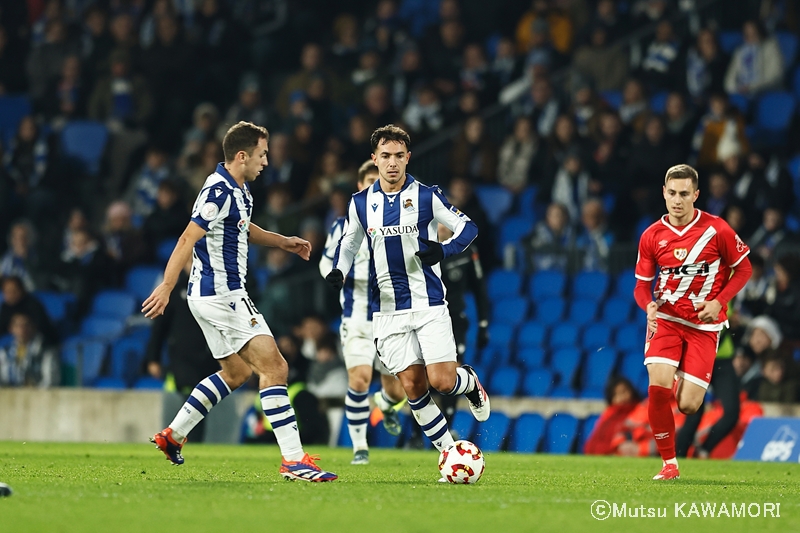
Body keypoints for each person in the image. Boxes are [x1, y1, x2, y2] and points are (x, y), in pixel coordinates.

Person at [142, 121, 336, 482]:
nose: (266, 162)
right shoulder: (219, 190)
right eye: (262, 155)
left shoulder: (238, 190)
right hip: (223, 295)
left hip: (209, 296)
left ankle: (173, 435)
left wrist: (282, 241)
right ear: (242, 155)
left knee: (237, 373)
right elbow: (187, 238)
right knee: (275, 368)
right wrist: (167, 286)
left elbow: (243, 228)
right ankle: (293, 460)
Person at [325, 125, 490, 467]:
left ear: (408, 158)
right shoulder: (360, 204)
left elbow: (468, 228)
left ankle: (470, 382)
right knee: (413, 387)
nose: (392, 163)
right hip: (386, 312)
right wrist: (338, 270)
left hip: (428, 304)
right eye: (385, 156)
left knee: (442, 382)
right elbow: (349, 243)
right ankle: (449, 453)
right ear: (375, 159)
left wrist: (443, 250)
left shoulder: (427, 196)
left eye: (399, 156)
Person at [634, 164, 752, 480]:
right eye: (671, 193)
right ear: (663, 192)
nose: (677, 200)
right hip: (667, 320)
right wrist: (648, 307)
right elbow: (641, 285)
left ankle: (679, 378)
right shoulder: (651, 236)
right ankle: (669, 464)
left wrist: (718, 302)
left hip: (704, 326)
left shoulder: (718, 230)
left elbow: (744, 270)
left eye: (684, 194)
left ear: (696, 195)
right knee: (657, 388)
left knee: (688, 405)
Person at [319, 160, 407, 465]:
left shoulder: (400, 221)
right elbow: (325, 263)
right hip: (356, 315)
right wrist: (340, 274)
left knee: (396, 389)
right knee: (358, 378)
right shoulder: (343, 225)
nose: (373, 186)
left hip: (391, 315)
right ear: (360, 186)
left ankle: (387, 404)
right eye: (368, 180)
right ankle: (360, 446)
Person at [144, 257, 220, 443]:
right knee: (190, 396)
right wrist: (152, 358)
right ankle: (182, 439)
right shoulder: (174, 292)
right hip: (182, 359)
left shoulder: (214, 291)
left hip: (208, 357)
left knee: (204, 401)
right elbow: (159, 328)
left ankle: (192, 442)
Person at [0, 313, 59, 387]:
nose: (22, 329)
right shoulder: (4, 353)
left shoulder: (45, 351)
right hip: (9, 396)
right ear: (11, 328)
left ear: (33, 327)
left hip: (39, 396)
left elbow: (50, 381)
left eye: (26, 325)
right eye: (17, 325)